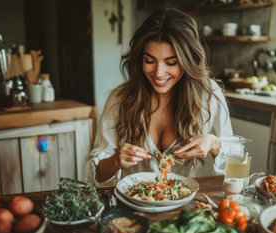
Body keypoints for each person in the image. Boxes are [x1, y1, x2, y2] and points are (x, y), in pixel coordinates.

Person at [84, 7, 232, 186]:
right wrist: (116, 160)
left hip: (183, 206)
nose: (159, 73)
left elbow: (235, 162)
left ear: (188, 61)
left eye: (171, 62)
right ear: (140, 59)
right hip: (130, 206)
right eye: (149, 61)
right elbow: (96, 174)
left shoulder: (208, 95)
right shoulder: (119, 98)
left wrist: (214, 143)